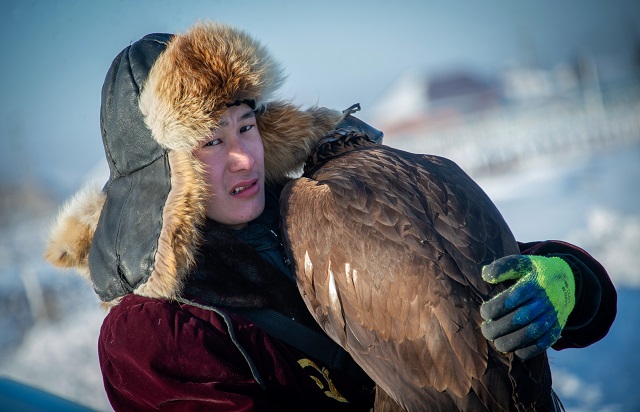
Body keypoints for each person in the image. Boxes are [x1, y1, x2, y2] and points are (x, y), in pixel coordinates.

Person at [44, 22, 616, 411]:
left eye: (246, 126)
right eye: (208, 142)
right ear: (163, 177)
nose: (243, 156)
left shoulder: (314, 210)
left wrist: (564, 284)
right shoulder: (151, 334)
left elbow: (467, 271)